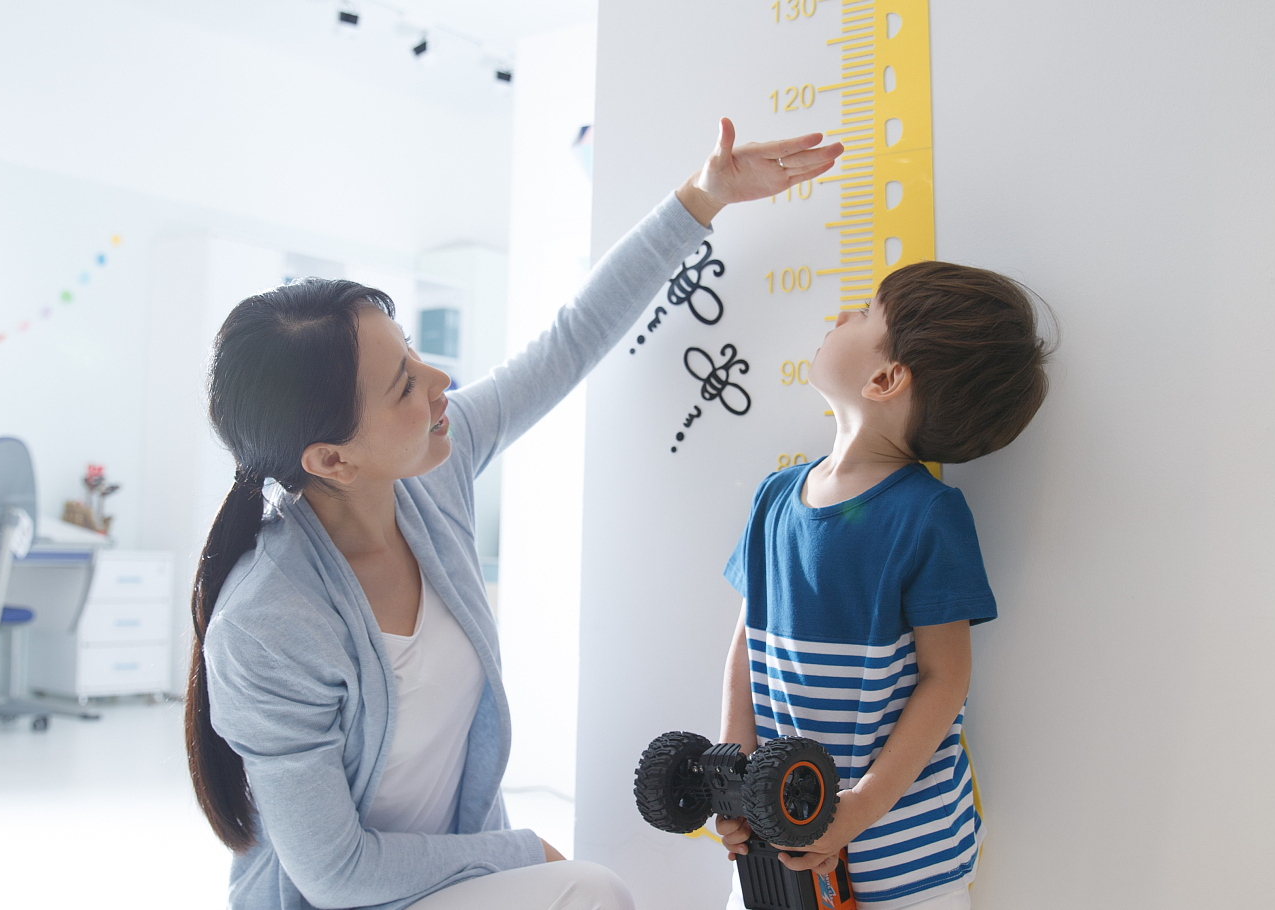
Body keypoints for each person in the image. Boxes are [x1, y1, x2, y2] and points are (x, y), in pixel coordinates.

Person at [183, 118, 843, 910]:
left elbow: (569, 342)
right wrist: (522, 851)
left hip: (447, 881)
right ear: (331, 459)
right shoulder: (266, 624)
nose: (439, 379)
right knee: (592, 890)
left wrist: (704, 197)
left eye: (412, 350)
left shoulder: (434, 471)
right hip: (344, 901)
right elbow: (335, 873)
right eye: (403, 384)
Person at [716, 263, 1054, 909]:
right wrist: (733, 771)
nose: (842, 315)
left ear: (885, 379)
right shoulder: (775, 497)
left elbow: (944, 678)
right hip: (780, 842)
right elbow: (745, 647)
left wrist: (860, 809)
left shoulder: (928, 515)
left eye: (867, 313)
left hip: (906, 861)